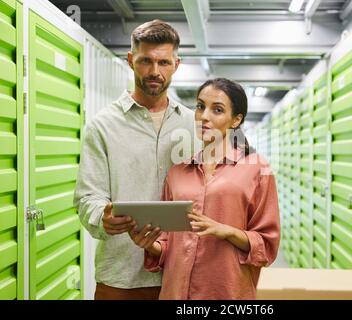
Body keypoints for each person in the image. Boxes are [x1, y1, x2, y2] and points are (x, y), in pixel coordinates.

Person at [73, 20, 195, 300]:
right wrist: (101, 218)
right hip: (121, 277)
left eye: (164, 62)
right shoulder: (102, 126)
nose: (154, 72)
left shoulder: (195, 126)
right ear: (130, 60)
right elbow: (87, 197)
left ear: (177, 64)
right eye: (145, 61)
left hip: (183, 275)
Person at [129, 78, 281, 299]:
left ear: (236, 119)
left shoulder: (257, 168)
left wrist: (227, 231)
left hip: (226, 291)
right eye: (200, 106)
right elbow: (168, 242)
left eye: (217, 110)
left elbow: (267, 244)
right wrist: (151, 245)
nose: (204, 116)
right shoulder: (177, 172)